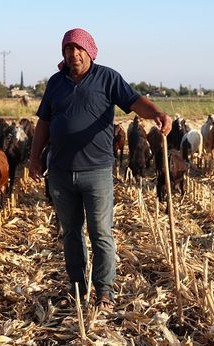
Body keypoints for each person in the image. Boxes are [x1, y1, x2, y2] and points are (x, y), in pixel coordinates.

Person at [29, 28, 172, 312]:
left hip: (96, 171)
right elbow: (44, 123)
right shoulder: (56, 83)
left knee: (101, 233)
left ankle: (104, 291)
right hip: (59, 171)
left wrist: (156, 112)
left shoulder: (108, 78)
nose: (73, 55)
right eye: (68, 50)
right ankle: (78, 287)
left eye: (78, 49)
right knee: (70, 232)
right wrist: (34, 159)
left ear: (90, 51)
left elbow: (135, 102)